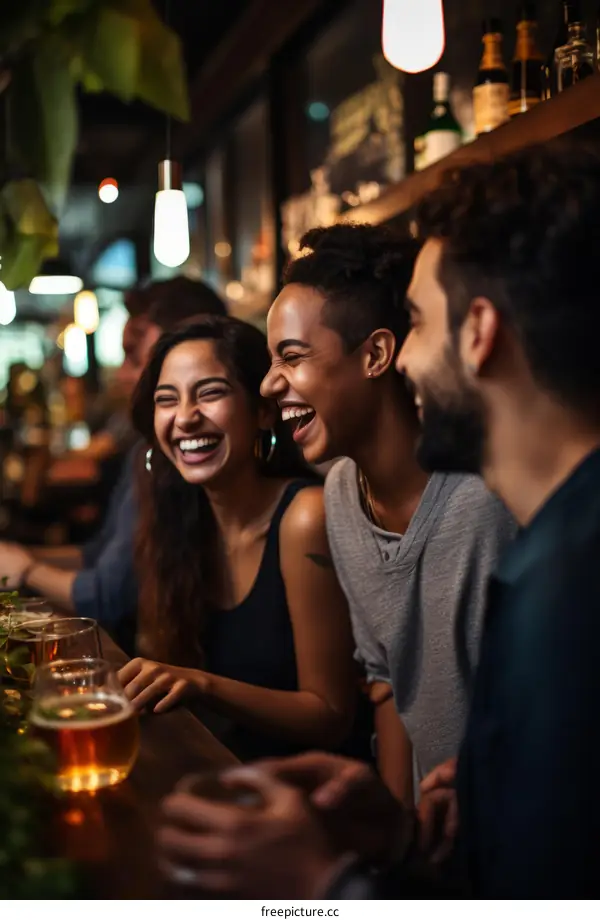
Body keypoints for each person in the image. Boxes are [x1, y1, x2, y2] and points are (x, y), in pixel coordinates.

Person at [156, 141, 600, 897]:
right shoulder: (543, 541)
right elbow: (390, 689)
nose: (407, 360)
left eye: (419, 323)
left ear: (479, 331)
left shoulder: (561, 573)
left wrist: (323, 886)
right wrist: (398, 837)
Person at [260, 223, 514, 802]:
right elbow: (387, 684)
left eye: (291, 357)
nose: (270, 384)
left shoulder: (489, 496)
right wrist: (403, 850)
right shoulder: (341, 495)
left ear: (376, 353)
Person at [118, 315, 358, 761]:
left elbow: (330, 715)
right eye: (166, 400)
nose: (186, 418)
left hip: (313, 797)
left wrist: (202, 684)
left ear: (263, 410)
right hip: (223, 775)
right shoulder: (175, 520)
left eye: (210, 393)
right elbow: (154, 661)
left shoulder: (305, 516)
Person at [0, 277, 227, 648]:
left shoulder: (177, 459)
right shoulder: (146, 451)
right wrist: (20, 558)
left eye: (135, 356)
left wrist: (26, 567)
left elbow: (108, 595)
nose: (123, 374)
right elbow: (102, 553)